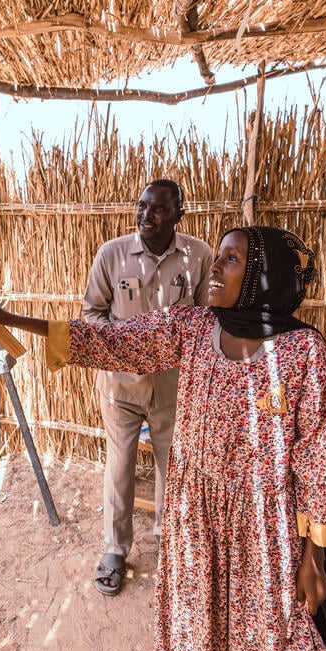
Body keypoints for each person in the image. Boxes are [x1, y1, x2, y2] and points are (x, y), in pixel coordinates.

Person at [0, 225, 326, 651]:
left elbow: (318, 455)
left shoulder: (303, 351)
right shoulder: (192, 328)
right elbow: (112, 341)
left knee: (269, 638)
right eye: (219, 256)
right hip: (194, 517)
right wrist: (11, 318)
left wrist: (314, 558)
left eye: (231, 259)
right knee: (201, 622)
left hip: (263, 527)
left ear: (260, 275)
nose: (213, 267)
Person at [81, 179, 212, 596]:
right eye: (142, 207)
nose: (146, 216)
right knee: (119, 465)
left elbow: (209, 320)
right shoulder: (113, 254)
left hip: (174, 387)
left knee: (172, 466)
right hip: (121, 386)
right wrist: (122, 349)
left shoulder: (199, 256)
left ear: (178, 214)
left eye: (158, 209)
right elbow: (92, 313)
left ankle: (168, 541)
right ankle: (116, 550)